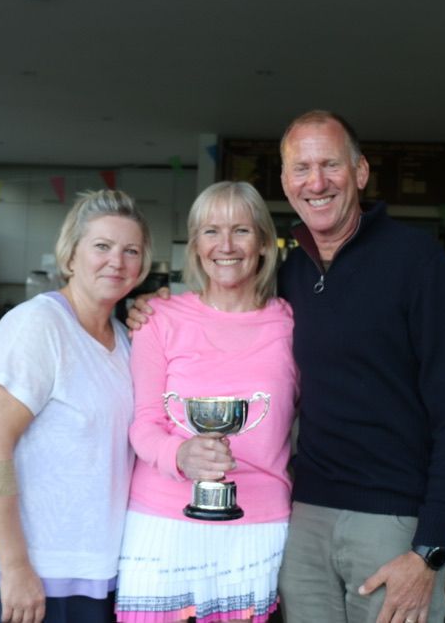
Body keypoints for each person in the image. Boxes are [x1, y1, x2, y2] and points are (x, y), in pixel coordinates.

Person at [129, 110, 445, 623]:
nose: (316, 183)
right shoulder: (293, 277)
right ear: (285, 181)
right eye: (301, 168)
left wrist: (431, 545)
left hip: (394, 522)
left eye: (330, 165)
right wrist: (147, 304)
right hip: (306, 518)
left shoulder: (417, 262)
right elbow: (228, 311)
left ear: (360, 172)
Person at [0, 189, 152, 623]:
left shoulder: (125, 340)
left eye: (131, 251)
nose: (116, 261)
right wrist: (14, 564)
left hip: (96, 570)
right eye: (102, 246)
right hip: (33, 573)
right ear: (70, 256)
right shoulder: (37, 325)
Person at [116, 181, 298, 623]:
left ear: (263, 243)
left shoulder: (291, 322)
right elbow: (144, 423)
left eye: (241, 230)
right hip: (163, 520)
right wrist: (180, 454)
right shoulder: (158, 318)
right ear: (196, 245)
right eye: (211, 231)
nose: (226, 245)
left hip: (257, 524)